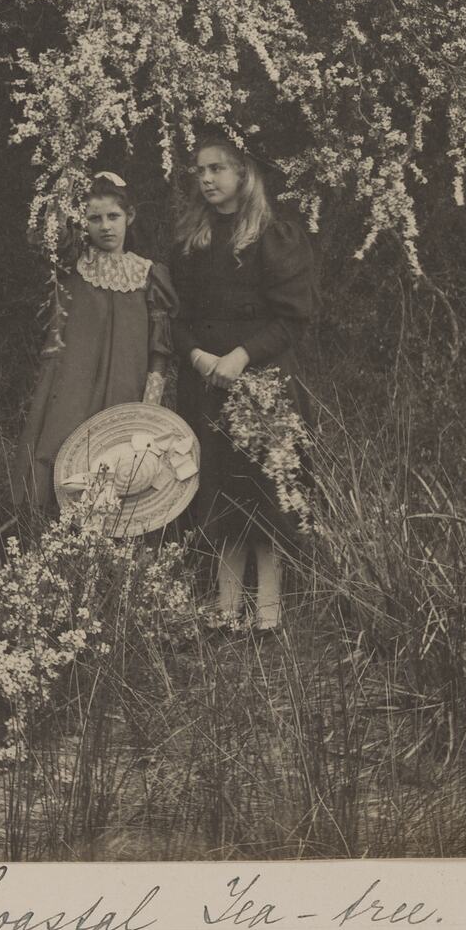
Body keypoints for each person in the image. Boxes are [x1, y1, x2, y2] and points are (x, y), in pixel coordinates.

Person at [171, 134, 315, 631]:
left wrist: (241, 356)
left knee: (263, 487)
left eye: (217, 169)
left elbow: (292, 319)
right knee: (218, 485)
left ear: (243, 174)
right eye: (200, 171)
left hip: (261, 381)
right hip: (206, 379)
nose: (207, 179)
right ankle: (226, 601)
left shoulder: (273, 237)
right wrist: (195, 355)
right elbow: (176, 314)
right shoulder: (193, 239)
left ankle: (269, 604)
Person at [14, 173, 178, 520]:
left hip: (125, 384)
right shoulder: (72, 263)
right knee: (60, 450)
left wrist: (150, 401)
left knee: (117, 460)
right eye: (94, 218)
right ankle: (48, 536)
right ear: (83, 222)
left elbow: (159, 347)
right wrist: (65, 184)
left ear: (129, 217)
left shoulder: (148, 275)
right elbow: (47, 236)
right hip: (73, 381)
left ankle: (107, 551)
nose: (105, 226)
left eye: (113, 216)